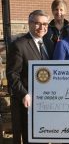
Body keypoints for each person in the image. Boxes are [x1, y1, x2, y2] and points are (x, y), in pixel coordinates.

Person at [6, 10, 53, 144]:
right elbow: (12, 73)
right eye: (37, 23)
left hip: (46, 102)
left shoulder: (49, 44)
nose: (41, 27)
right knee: (30, 139)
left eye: (45, 24)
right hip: (28, 103)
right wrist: (24, 94)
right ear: (29, 23)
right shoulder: (19, 45)